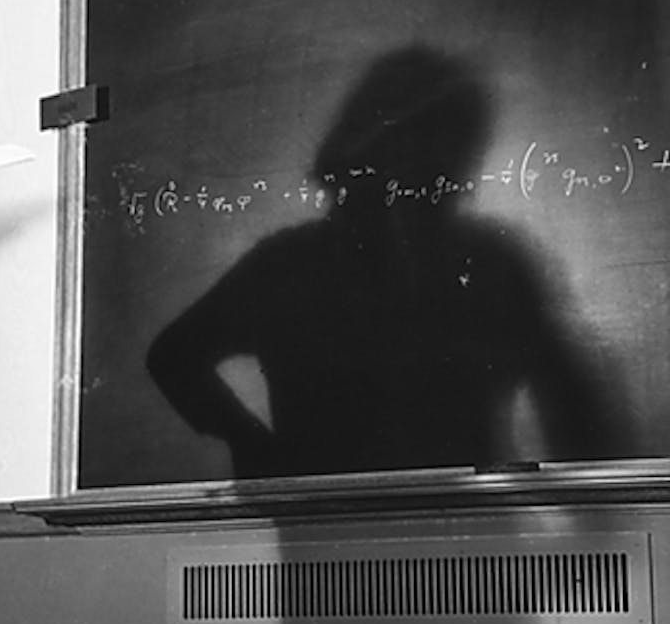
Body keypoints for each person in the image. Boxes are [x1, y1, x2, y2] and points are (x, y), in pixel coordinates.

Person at [147, 46, 622, 479]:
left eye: (445, 144)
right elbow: (174, 357)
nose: (425, 165)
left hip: (460, 527)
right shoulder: (286, 266)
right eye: (412, 143)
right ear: (363, 147)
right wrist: (249, 443)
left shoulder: (492, 262)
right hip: (342, 529)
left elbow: (572, 404)